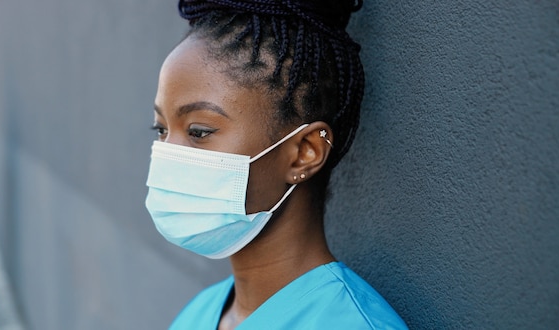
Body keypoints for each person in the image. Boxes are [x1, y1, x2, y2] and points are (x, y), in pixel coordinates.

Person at [144, 0, 408, 328]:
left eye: (199, 132)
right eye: (162, 130)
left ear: (304, 152)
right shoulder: (198, 315)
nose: (170, 155)